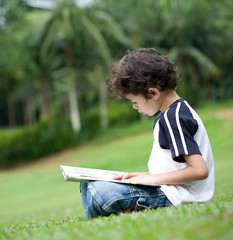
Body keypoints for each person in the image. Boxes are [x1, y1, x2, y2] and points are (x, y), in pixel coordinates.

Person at [80, 48, 214, 220]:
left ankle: (112, 217)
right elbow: (174, 169)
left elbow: (199, 170)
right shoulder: (168, 115)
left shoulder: (175, 118)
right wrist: (143, 176)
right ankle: (109, 217)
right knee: (88, 185)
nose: (134, 107)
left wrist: (152, 180)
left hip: (177, 196)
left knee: (101, 192)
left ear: (153, 92)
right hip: (165, 189)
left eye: (135, 101)